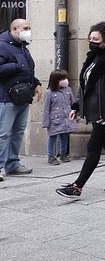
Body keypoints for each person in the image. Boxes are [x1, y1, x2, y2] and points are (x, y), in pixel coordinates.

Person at [56, 22, 105, 198]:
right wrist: (76, 105)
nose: (92, 42)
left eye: (96, 39)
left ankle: (77, 186)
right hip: (95, 110)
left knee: (93, 146)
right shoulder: (92, 57)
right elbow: (85, 85)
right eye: (90, 39)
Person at [0, 18, 41, 178]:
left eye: (29, 27)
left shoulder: (23, 47)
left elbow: (28, 70)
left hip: (22, 96)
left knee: (18, 132)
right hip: (6, 97)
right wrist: (16, 66)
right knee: (3, 133)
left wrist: (36, 83)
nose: (28, 31)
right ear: (14, 29)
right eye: (25, 28)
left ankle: (13, 163)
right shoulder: (3, 45)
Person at [42, 69, 77, 165]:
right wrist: (46, 122)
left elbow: (73, 103)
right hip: (54, 120)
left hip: (66, 118)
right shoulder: (49, 93)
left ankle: (63, 154)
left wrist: (74, 113)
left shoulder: (68, 90)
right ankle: (51, 156)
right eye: (63, 79)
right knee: (52, 137)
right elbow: (46, 109)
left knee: (64, 136)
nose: (65, 80)